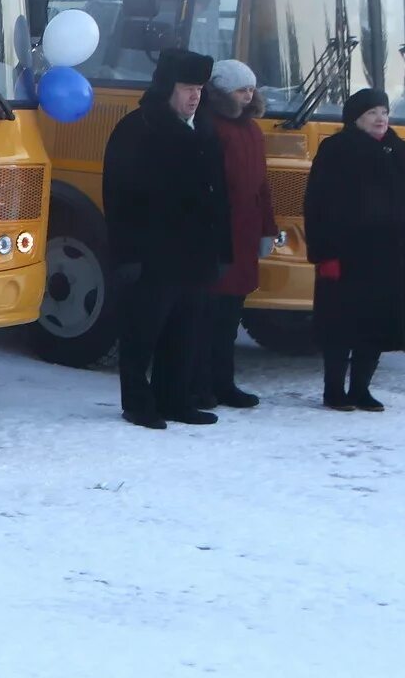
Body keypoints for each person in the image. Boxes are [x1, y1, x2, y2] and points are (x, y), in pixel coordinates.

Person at [102, 48, 230, 429]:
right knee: (142, 333)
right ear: (166, 88)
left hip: (195, 255)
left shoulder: (205, 129)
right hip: (152, 255)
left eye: (200, 89)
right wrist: (128, 256)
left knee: (185, 333)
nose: (195, 96)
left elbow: (219, 193)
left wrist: (221, 249)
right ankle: (138, 403)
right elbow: (118, 196)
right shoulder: (138, 128)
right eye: (188, 88)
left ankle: (175, 400)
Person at [305, 88, 405, 412]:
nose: (381, 119)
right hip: (348, 259)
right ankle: (333, 390)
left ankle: (361, 389)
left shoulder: (399, 149)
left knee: (377, 325)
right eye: (372, 113)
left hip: (390, 258)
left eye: (384, 112)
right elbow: (318, 205)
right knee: (341, 326)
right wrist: (326, 254)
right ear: (355, 119)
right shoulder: (336, 150)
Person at [196, 59, 279, 409]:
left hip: (243, 236)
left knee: (229, 318)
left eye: (250, 90)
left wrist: (267, 229)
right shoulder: (208, 127)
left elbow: (261, 186)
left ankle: (223, 382)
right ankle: (201, 384)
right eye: (240, 90)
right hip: (217, 235)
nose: (247, 96)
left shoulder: (251, 130)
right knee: (206, 317)